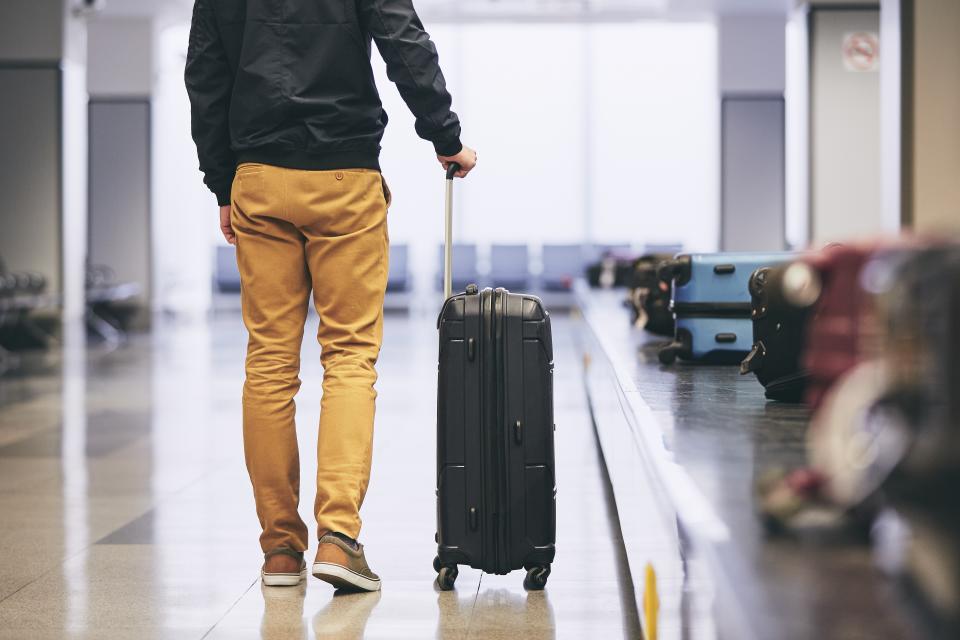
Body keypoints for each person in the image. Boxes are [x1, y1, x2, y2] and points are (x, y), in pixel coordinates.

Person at [185, 0, 477, 592]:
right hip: (345, 175)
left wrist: (223, 181)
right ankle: (338, 538)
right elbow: (405, 43)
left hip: (258, 177)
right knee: (348, 357)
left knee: (269, 362)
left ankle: (281, 552)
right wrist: (445, 136)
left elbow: (206, 78)